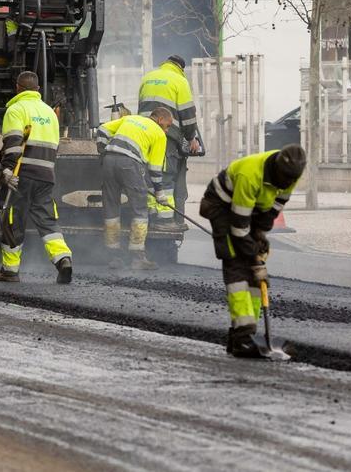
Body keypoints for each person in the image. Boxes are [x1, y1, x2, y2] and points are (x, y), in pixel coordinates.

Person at [199, 145, 306, 358]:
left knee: (256, 275)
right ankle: (242, 337)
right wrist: (255, 260)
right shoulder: (250, 175)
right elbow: (238, 228)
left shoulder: (291, 176)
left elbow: (273, 210)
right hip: (222, 206)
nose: (286, 183)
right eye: (283, 179)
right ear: (276, 169)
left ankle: (251, 334)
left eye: (290, 180)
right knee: (237, 266)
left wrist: (259, 235)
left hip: (251, 209)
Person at [0, 71, 74, 284]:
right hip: (46, 175)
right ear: (38, 90)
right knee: (47, 220)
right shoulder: (50, 113)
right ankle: (63, 259)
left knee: (12, 220)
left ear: (18, 88)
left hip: (20, 175)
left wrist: (8, 170)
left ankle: (10, 271)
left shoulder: (16, 109)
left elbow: (14, 143)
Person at [96, 107, 174, 270]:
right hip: (130, 165)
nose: (167, 131)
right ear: (160, 120)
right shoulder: (159, 134)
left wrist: (103, 153)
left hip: (109, 162)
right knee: (140, 210)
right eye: (168, 126)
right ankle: (137, 258)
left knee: (111, 209)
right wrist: (160, 193)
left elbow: (102, 129)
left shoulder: (131, 119)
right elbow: (155, 168)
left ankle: (114, 256)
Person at [138, 55, 201, 224]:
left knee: (148, 175)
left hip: (143, 135)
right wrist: (191, 138)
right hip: (166, 137)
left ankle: (150, 215)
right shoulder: (180, 81)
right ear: (180, 68)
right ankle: (165, 220)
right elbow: (187, 116)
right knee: (165, 175)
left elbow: (141, 108)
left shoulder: (148, 77)